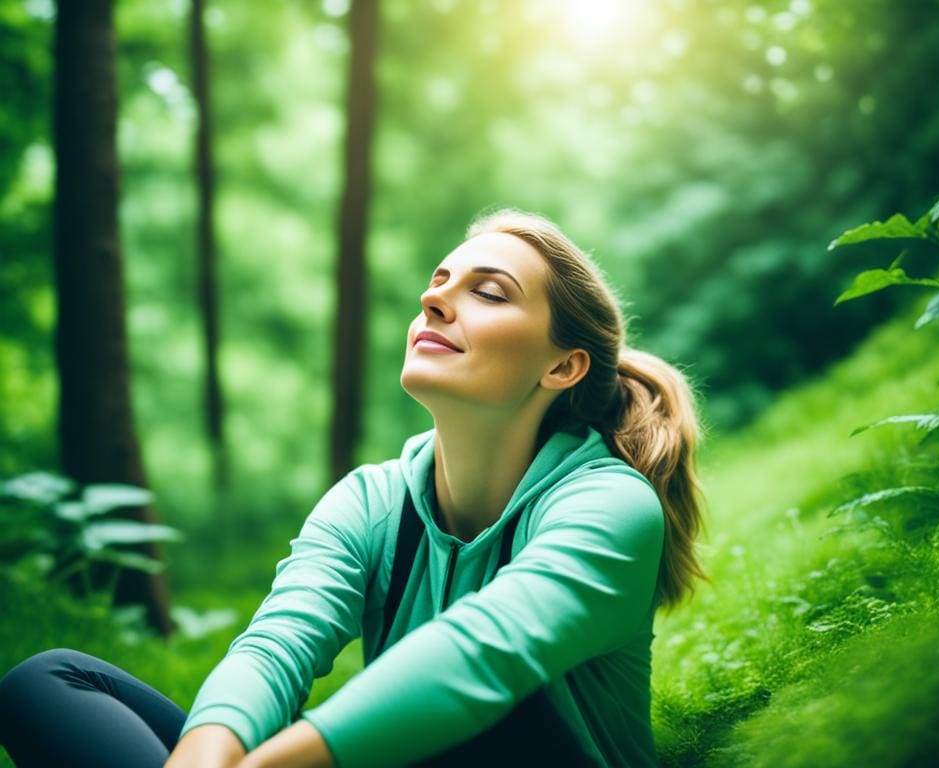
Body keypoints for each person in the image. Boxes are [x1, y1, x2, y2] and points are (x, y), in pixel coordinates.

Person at [0, 209, 707, 768]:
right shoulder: (371, 502)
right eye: (438, 282)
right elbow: (276, 649)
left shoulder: (609, 506)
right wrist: (203, 757)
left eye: (487, 292)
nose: (435, 299)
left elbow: (482, 654)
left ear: (563, 367)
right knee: (49, 682)